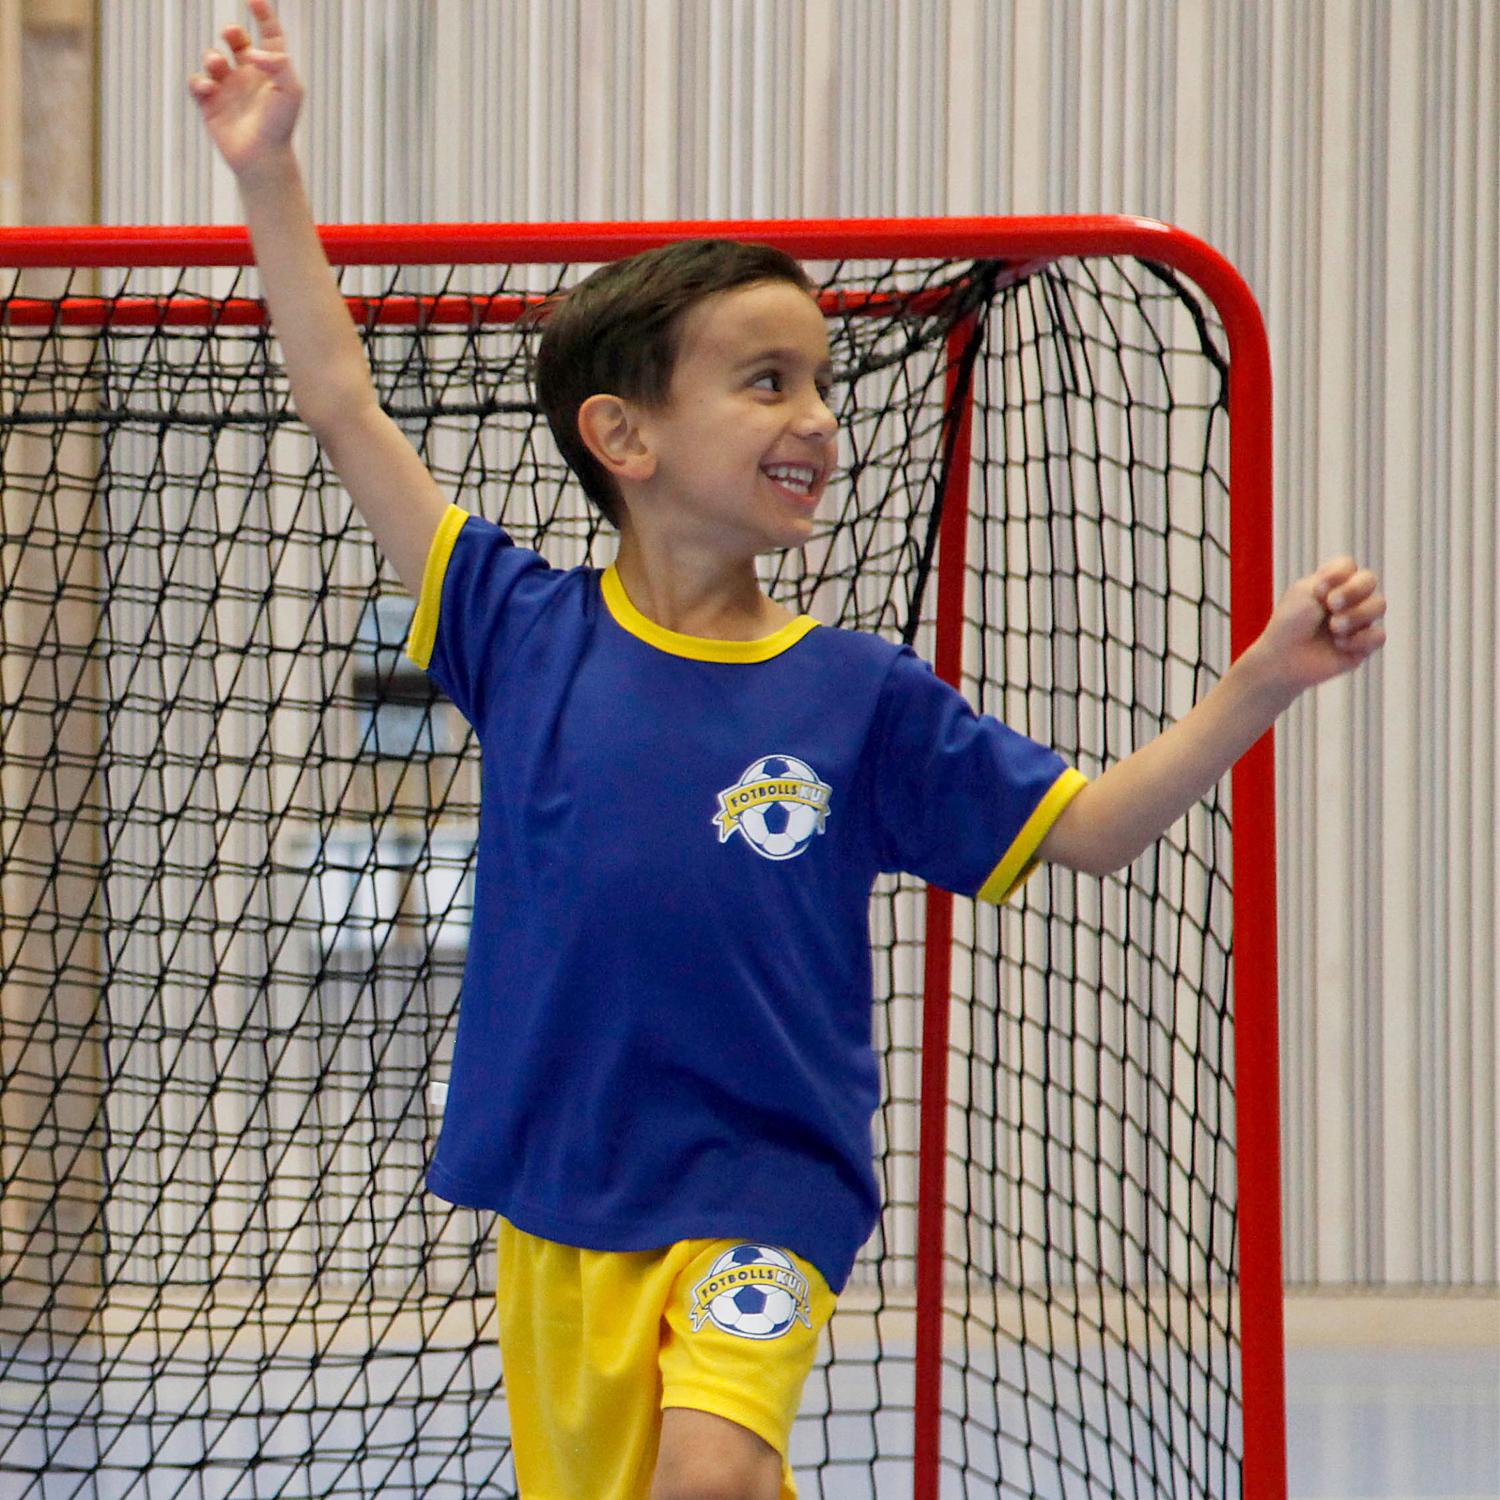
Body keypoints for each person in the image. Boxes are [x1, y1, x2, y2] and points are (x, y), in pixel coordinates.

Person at [190, 6, 1387, 1499]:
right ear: (624, 437)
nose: (817, 417)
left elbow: (1089, 827)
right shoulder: (516, 628)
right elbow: (339, 401)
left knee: (708, 1473)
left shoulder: (859, 697)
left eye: (820, 382)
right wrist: (269, 169)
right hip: (564, 1190)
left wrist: (1263, 680)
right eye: (766, 383)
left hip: (767, 1184)